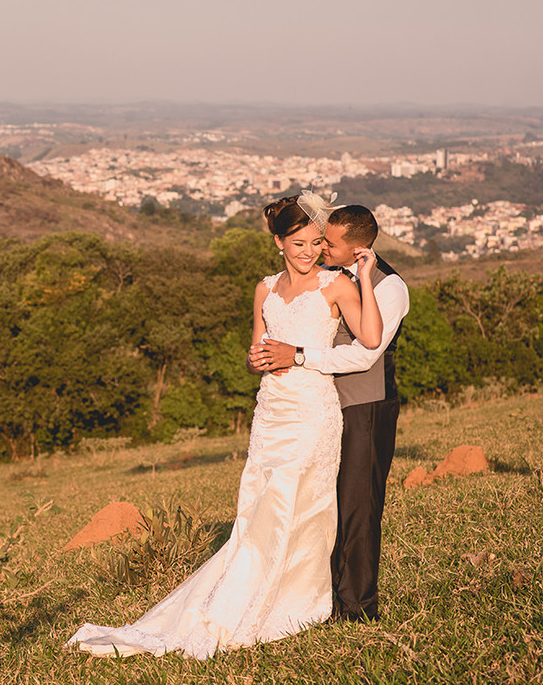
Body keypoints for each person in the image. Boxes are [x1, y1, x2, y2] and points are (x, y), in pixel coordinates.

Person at [65, 192, 381, 659]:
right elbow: (257, 349)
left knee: (304, 506)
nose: (308, 251)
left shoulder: (335, 285)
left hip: (312, 412)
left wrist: (367, 278)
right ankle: (244, 593)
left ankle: (297, 601)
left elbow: (371, 339)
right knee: (257, 508)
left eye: (315, 242)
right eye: (298, 243)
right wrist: (256, 361)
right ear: (278, 243)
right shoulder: (265, 288)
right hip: (270, 411)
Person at [249, 204, 410, 622]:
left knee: (358, 504)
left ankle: (356, 606)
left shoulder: (388, 287)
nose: (320, 250)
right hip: (313, 406)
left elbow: (365, 352)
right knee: (320, 502)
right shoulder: (315, 280)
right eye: (313, 241)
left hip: (363, 403)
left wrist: (298, 356)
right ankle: (314, 596)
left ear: (355, 248)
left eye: (328, 244)